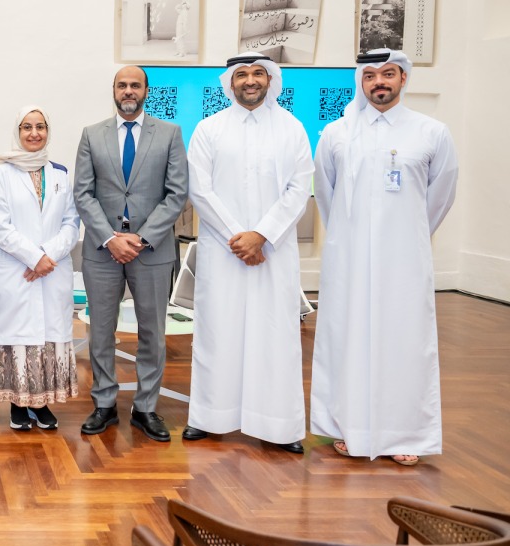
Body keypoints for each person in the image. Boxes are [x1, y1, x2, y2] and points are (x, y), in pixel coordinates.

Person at [311, 48, 458, 466]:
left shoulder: (431, 132)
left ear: (403, 79)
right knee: (347, 338)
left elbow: (441, 195)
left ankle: (406, 433)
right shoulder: (337, 133)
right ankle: (348, 427)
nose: (379, 82)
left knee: (405, 341)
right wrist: (350, 237)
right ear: (361, 81)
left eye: (388, 74)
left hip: (404, 259)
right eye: (371, 75)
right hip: (349, 258)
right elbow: (326, 193)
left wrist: (408, 235)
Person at [183, 55, 312, 454]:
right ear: (230, 82)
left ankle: (279, 425)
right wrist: (239, 238)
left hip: (273, 251)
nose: (250, 80)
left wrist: (262, 235)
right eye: (242, 74)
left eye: (258, 73)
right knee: (218, 332)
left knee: (275, 335)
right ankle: (210, 417)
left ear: (270, 80)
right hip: (224, 252)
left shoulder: (292, 129)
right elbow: (199, 189)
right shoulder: (209, 129)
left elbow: (299, 188)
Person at [74, 65, 188, 442]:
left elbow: (177, 194)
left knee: (152, 332)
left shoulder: (170, 134)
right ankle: (104, 404)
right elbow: (83, 194)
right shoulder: (92, 135)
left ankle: (145, 408)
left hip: (152, 250)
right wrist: (110, 238)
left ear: (146, 91)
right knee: (101, 331)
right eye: (122, 85)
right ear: (113, 90)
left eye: (135, 85)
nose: (128, 91)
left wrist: (141, 238)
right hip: (102, 250)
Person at [0, 106, 81, 430]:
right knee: (19, 339)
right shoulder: (1, 173)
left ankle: (42, 402)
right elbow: (0, 226)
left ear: (48, 131)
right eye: (27, 127)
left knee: (48, 337)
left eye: (40, 127)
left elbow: (71, 222)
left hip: (52, 269)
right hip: (16, 271)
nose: (34, 133)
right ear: (18, 132)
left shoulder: (60, 174)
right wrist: (33, 258)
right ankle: (18, 404)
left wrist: (47, 255)